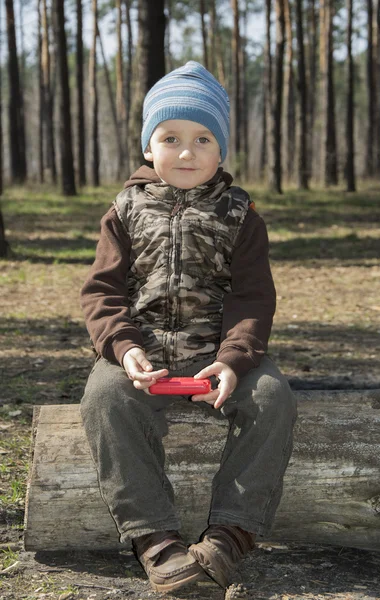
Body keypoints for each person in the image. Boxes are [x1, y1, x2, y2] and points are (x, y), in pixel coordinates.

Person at [80, 61, 297, 594]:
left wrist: (234, 358)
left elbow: (252, 296)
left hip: (218, 352)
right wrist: (123, 347)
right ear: (148, 148)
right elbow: (102, 293)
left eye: (203, 138)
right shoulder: (124, 210)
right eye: (170, 137)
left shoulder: (241, 213)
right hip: (144, 355)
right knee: (104, 399)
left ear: (221, 150)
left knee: (273, 398)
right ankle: (155, 538)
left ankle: (230, 535)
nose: (186, 151)